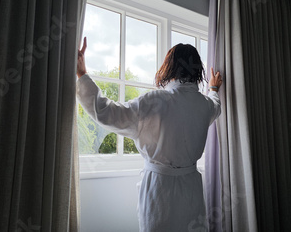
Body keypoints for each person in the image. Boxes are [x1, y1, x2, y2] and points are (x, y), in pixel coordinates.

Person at [76, 37, 222, 231]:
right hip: (192, 191)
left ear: (169, 67)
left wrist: (82, 74)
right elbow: (216, 106)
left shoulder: (155, 101)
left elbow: (107, 112)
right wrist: (213, 88)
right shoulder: (204, 105)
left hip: (159, 193)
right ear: (196, 71)